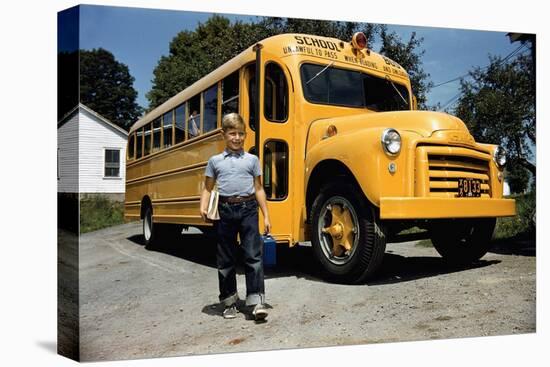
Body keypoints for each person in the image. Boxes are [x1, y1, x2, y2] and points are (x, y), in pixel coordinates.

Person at [200, 113, 271, 321]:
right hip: (225, 210)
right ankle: (229, 302)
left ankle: (257, 302)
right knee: (226, 259)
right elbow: (207, 188)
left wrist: (266, 215)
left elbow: (259, 189)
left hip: (249, 208)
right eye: (232, 133)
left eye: (241, 134)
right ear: (224, 135)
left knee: (253, 255)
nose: (237, 138)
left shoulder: (252, 160)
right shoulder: (215, 162)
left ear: (246, 135)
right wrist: (203, 206)